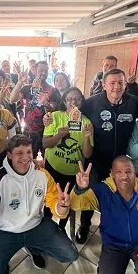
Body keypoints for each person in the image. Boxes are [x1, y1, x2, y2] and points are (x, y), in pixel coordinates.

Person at [57, 68, 138, 244]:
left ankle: (113, 228)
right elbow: (69, 113)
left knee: (117, 196)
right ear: (104, 85)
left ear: (125, 84)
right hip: (95, 161)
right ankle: (84, 225)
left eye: (120, 82)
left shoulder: (134, 103)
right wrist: (49, 117)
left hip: (120, 162)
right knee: (90, 193)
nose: (116, 87)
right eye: (112, 83)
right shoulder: (92, 103)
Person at [0, 134, 79, 274]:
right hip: (3, 231)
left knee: (70, 254)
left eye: (29, 152)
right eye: (19, 153)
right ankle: (3, 258)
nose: (25, 158)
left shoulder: (42, 174)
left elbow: (55, 206)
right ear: (9, 155)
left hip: (35, 226)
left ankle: (34, 247)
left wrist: (62, 206)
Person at [42, 87, 93, 232]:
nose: (73, 102)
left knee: (67, 202)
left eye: (77, 99)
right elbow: (45, 144)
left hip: (73, 173)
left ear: (82, 102)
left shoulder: (86, 122)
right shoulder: (55, 117)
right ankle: (46, 228)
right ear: (64, 102)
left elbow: (87, 154)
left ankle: (61, 228)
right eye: (70, 99)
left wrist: (88, 137)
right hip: (53, 170)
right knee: (48, 202)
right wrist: (58, 136)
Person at [10, 61, 61, 156]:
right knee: (28, 159)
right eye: (41, 70)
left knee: (48, 159)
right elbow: (12, 99)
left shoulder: (52, 90)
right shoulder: (27, 88)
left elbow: (53, 113)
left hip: (46, 132)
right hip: (29, 130)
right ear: (35, 71)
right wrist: (20, 82)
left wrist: (46, 104)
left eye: (46, 71)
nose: (44, 73)